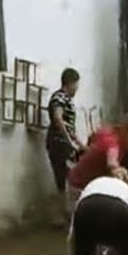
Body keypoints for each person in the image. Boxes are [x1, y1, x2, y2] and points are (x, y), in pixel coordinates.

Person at [47, 68, 86, 219]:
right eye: (76, 84)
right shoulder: (59, 97)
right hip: (59, 144)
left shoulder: (66, 99)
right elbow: (58, 119)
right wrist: (70, 142)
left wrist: (81, 145)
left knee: (66, 179)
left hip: (63, 143)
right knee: (65, 179)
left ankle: (66, 213)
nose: (77, 88)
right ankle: (65, 214)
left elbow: (69, 127)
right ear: (70, 83)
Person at [68, 119, 128, 195]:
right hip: (79, 186)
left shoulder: (108, 132)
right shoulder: (113, 144)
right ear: (125, 131)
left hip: (77, 179)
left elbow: (93, 141)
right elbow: (112, 163)